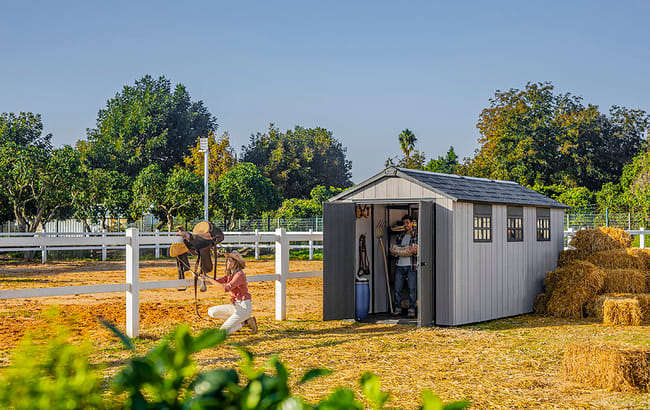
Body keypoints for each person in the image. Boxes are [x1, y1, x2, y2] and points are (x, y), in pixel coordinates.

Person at [205, 251, 258, 335]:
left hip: (244, 308)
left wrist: (209, 280)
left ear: (235, 263)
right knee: (211, 312)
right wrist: (203, 278)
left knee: (221, 333)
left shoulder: (239, 274)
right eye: (227, 260)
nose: (227, 263)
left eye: (230, 261)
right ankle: (243, 321)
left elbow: (226, 288)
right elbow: (218, 281)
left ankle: (243, 323)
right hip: (236, 306)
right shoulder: (231, 275)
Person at [389, 214, 418, 318]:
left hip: (411, 266)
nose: (406, 225)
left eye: (407, 223)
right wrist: (393, 251)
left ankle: (411, 310)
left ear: (411, 223)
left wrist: (414, 251)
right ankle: (397, 309)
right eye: (404, 223)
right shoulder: (400, 236)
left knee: (412, 289)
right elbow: (395, 250)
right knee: (397, 288)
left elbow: (417, 251)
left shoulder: (416, 235)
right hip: (400, 265)